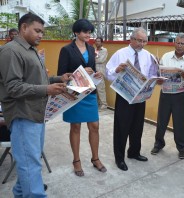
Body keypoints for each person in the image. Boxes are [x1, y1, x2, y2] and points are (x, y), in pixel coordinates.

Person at [0, 13, 71, 197]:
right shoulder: (11, 51)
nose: (41, 35)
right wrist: (46, 89)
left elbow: (38, 79)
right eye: (37, 31)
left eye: (42, 32)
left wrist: (58, 79)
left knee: (30, 161)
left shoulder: (30, 50)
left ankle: (21, 192)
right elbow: (14, 88)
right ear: (24, 27)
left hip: (37, 115)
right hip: (23, 116)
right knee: (30, 164)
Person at [57, 19, 106, 177]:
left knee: (94, 126)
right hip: (74, 94)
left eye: (89, 32)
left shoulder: (92, 49)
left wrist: (96, 73)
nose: (88, 34)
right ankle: (76, 161)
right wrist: (80, 72)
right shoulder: (66, 50)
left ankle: (95, 158)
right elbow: (61, 76)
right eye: (85, 32)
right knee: (76, 127)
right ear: (76, 32)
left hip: (89, 92)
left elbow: (92, 68)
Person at [106, 27, 158, 171]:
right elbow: (108, 73)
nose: (142, 44)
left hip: (140, 97)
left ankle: (134, 152)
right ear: (132, 39)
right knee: (122, 127)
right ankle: (119, 158)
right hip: (124, 96)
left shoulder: (148, 55)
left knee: (137, 127)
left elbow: (151, 75)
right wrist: (116, 70)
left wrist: (157, 70)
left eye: (145, 41)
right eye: (140, 41)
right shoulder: (120, 54)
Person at [150, 33, 184, 159]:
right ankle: (158, 144)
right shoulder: (166, 57)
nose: (179, 45)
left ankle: (182, 148)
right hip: (165, 93)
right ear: (174, 42)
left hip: (181, 95)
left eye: (182, 43)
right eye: (177, 42)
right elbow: (159, 75)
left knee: (180, 123)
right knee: (161, 121)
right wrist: (159, 79)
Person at [94, 37, 108, 110]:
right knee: (94, 89)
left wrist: (94, 59)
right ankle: (97, 103)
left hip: (100, 72)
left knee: (101, 88)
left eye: (99, 41)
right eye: (96, 41)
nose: (97, 42)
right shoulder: (94, 50)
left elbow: (101, 60)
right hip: (93, 72)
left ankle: (104, 104)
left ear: (102, 42)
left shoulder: (104, 50)